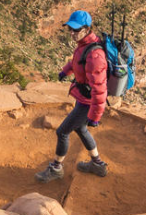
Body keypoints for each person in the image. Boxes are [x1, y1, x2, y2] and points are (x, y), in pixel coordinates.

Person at [36, 10, 109, 182]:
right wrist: (65, 71)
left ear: (87, 28)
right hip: (82, 98)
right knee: (80, 128)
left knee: (62, 132)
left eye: (75, 30)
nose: (72, 33)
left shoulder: (95, 55)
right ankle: (97, 164)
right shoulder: (85, 45)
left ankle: (56, 168)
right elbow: (77, 61)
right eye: (70, 29)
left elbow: (100, 88)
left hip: (87, 103)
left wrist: (95, 116)